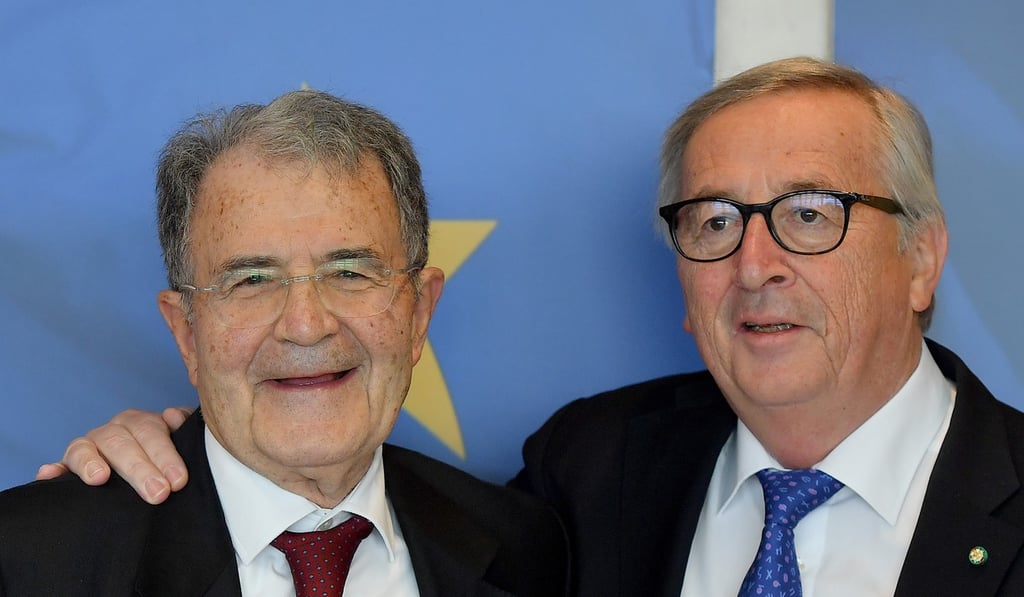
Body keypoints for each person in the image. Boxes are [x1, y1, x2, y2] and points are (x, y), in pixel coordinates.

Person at [42, 57, 1024, 595]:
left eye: (810, 214)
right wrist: (169, 451)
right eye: (712, 221)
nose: (753, 264)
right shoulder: (587, 477)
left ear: (923, 256)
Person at [1, 89, 568, 596]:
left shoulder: (526, 548)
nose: (305, 325)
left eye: (349, 272)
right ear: (186, 331)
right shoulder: (29, 560)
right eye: (251, 280)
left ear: (419, 312)